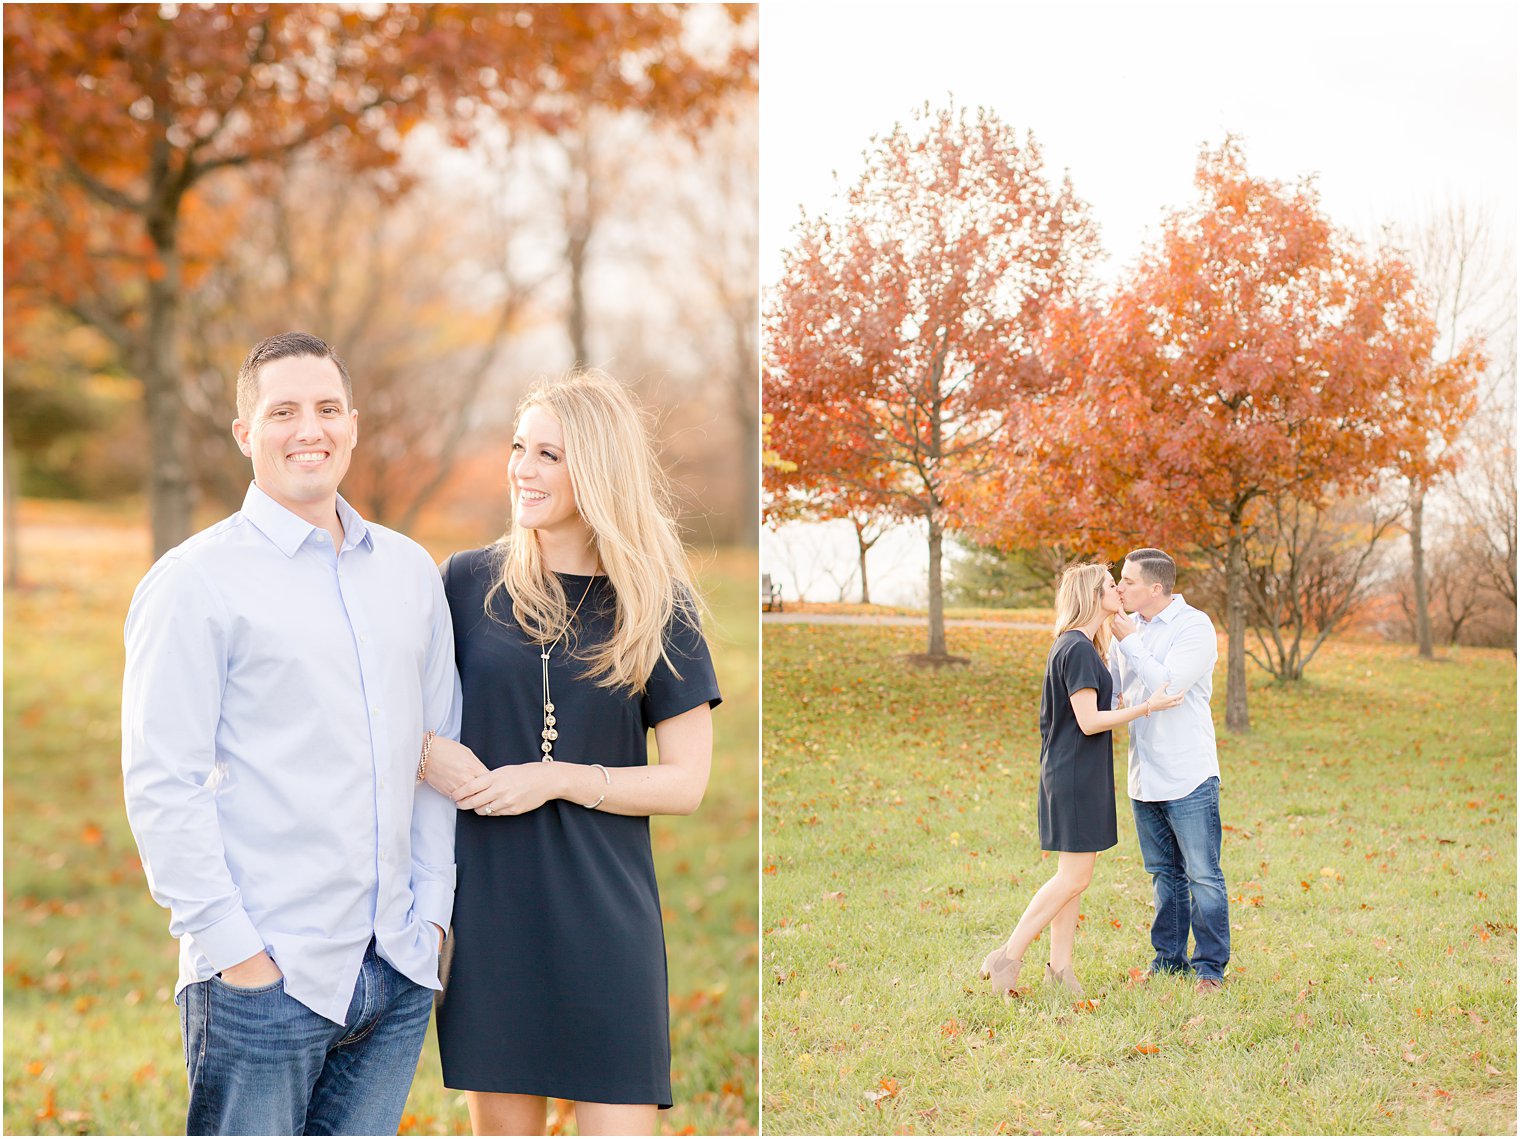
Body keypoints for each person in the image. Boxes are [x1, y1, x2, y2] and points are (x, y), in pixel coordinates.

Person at [121, 331, 459, 1135]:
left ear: (353, 423)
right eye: (283, 411)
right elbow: (160, 781)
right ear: (246, 433)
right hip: (264, 977)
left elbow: (437, 747)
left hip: (396, 968)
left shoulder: (410, 572)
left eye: (327, 408)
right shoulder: (195, 581)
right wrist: (237, 952)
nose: (309, 428)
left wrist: (434, 919)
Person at [421, 369, 722, 1137]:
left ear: (596, 465)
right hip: (492, 917)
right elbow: (389, 714)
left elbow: (686, 782)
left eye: (548, 454)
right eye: (519, 447)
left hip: (604, 917)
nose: (522, 468)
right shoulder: (463, 582)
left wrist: (555, 778)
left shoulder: (659, 600)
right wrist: (429, 755)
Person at [980, 562, 1183, 999]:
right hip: (1074, 773)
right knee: (1074, 878)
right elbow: (1090, 722)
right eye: (1113, 585)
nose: (1119, 590)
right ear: (1093, 594)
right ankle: (1007, 957)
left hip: (1075, 771)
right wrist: (1149, 707)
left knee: (1070, 878)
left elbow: (1089, 709)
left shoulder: (1081, 646)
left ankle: (1061, 970)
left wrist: (1126, 697)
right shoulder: (1075, 648)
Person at [1112, 547, 1230, 993]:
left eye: (1128, 581)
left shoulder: (1193, 626)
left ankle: (1210, 969)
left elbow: (1169, 688)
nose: (1120, 587)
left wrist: (1129, 643)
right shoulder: (1129, 629)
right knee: (1164, 874)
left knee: (1202, 873)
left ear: (1155, 587)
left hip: (1188, 773)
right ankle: (1169, 960)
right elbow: (1118, 691)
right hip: (1144, 773)